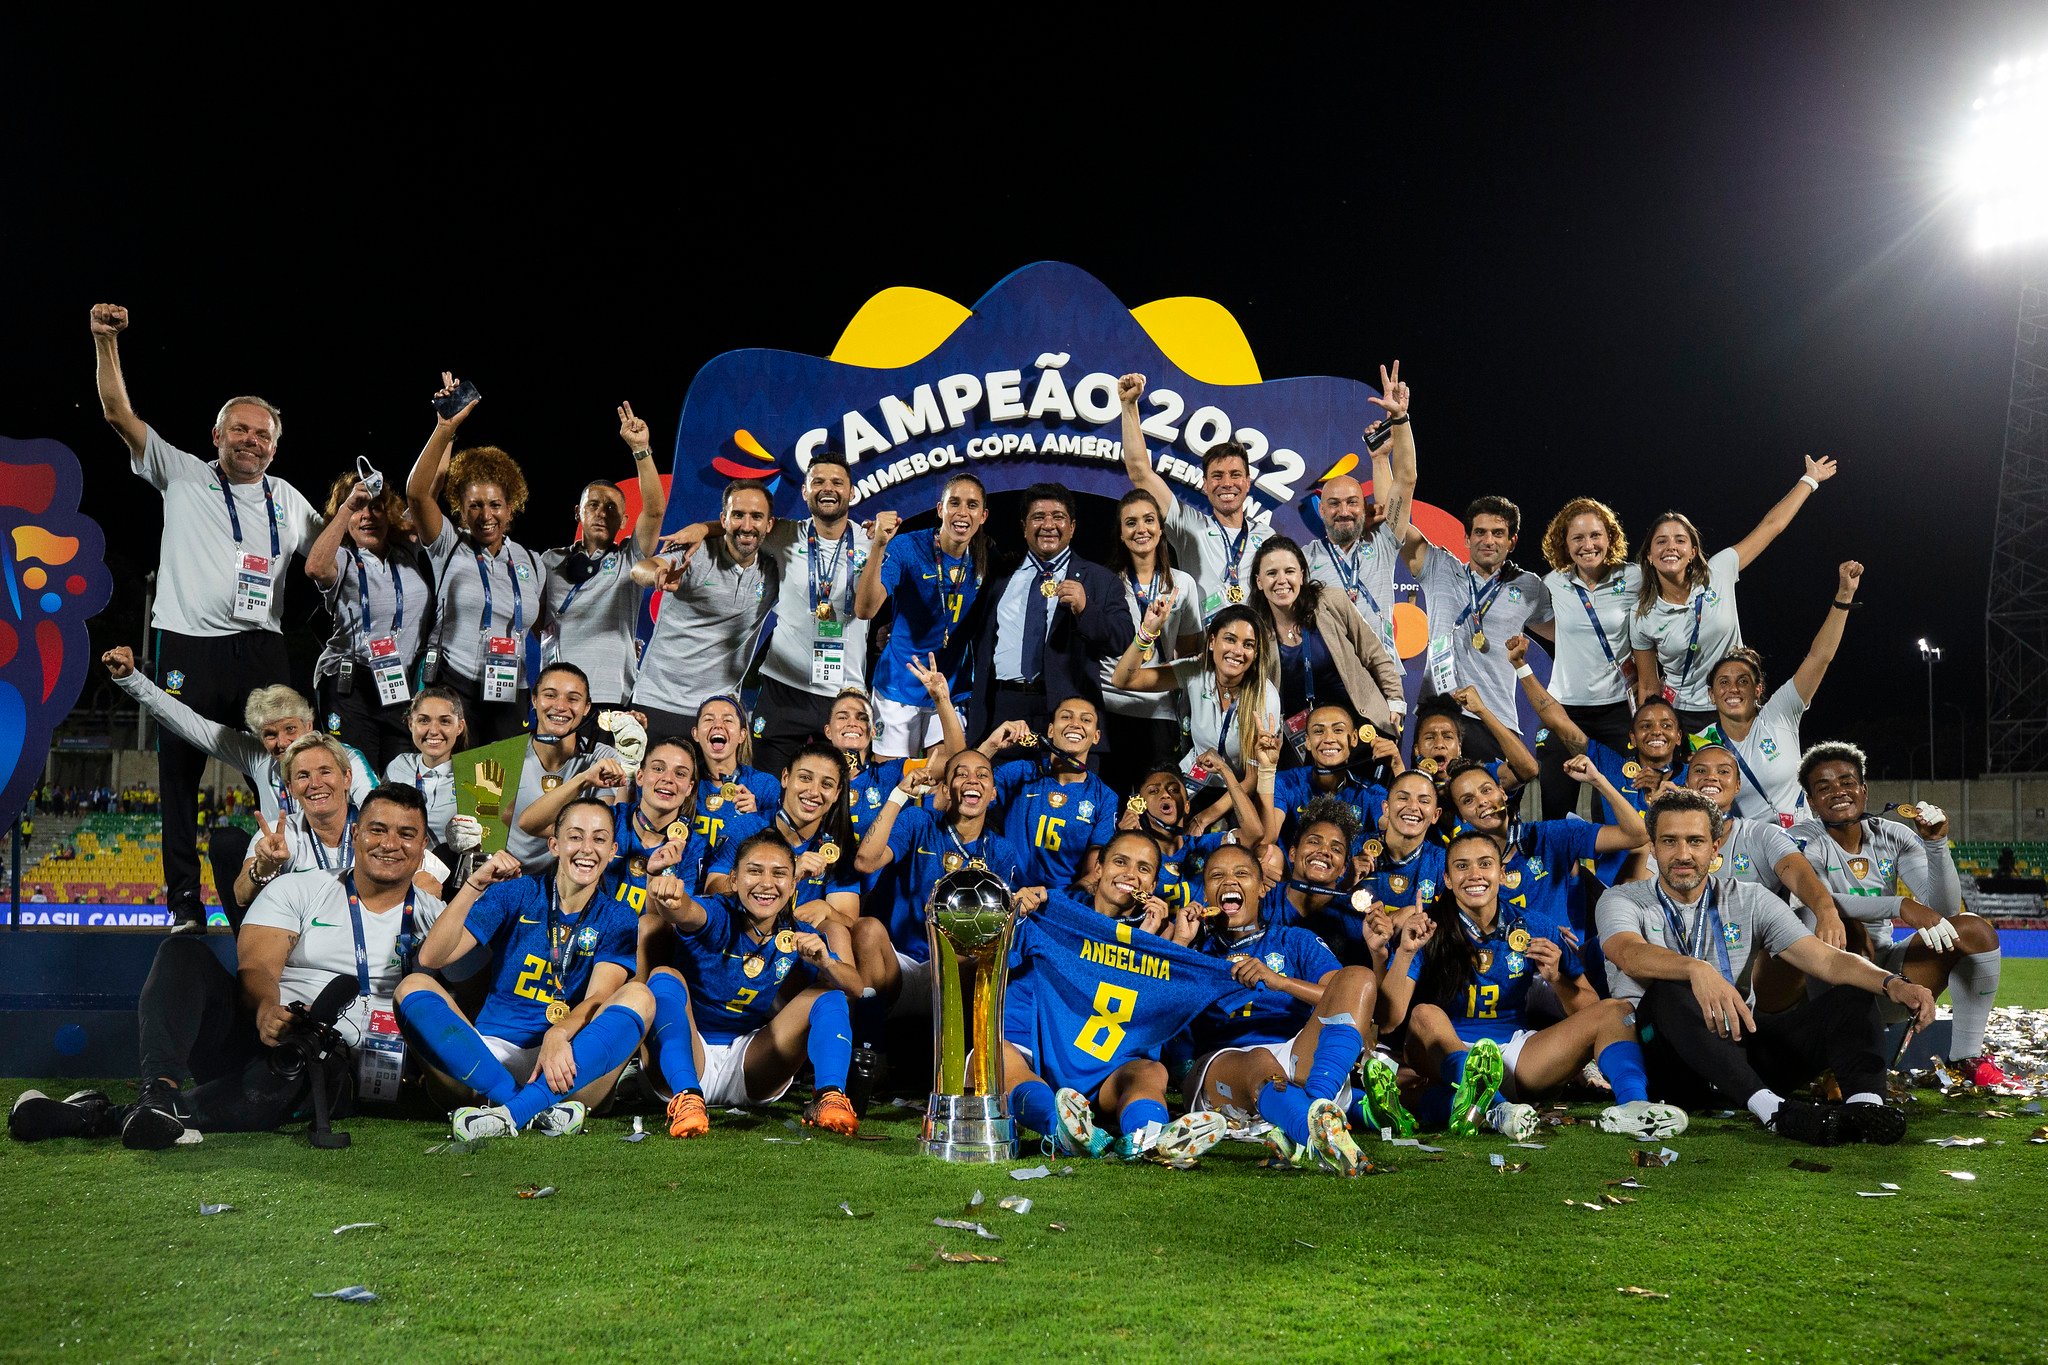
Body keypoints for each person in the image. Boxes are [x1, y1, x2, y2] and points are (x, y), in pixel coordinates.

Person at [11, 787, 442, 1148]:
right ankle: (158, 1089)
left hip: (341, 1068)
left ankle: (100, 1116)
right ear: (355, 832)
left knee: (290, 1073)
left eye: (407, 834)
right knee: (183, 954)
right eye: (378, 829)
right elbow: (256, 966)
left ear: (424, 846)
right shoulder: (301, 887)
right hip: (264, 1031)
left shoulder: (437, 917)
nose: (391, 844)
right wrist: (265, 1009)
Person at [92, 302, 323, 932]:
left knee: (284, 766)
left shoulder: (289, 499)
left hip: (261, 649)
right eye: (241, 430)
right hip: (188, 647)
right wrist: (105, 341)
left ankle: (294, 882)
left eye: (264, 434)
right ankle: (184, 904)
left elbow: (329, 556)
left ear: (276, 445)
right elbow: (117, 414)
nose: (252, 440)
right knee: (178, 774)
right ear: (216, 436)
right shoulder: (184, 474)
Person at [1597, 788, 1936, 1145]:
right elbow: (1627, 953)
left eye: (1695, 841)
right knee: (1667, 993)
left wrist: (1892, 982)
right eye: (1670, 841)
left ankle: (1865, 1108)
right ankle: (1774, 1112)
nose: (1683, 854)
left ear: (1715, 849)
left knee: (1853, 992)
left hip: (1741, 1044)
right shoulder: (1623, 898)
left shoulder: (1749, 897)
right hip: (1670, 1060)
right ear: (1652, 847)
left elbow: (1825, 958)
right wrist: (1697, 969)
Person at [1381, 829, 1688, 1141]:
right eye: (1462, 867)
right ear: (1447, 878)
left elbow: (1591, 1008)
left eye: (1485, 864)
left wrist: (1556, 981)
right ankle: (1497, 1110)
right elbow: (1390, 1021)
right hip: (1447, 1053)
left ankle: (1633, 1107)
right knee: (1425, 1014)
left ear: (1501, 873)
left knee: (1616, 1011)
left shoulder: (1534, 925)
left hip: (1516, 1055)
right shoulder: (1427, 928)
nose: (1474, 875)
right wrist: (1405, 952)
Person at [395, 799, 650, 1139]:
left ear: (613, 849)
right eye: (575, 837)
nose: (587, 849)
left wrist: (558, 1034)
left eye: (599, 839)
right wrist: (474, 886)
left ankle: (508, 1112)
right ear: (554, 845)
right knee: (413, 985)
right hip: (488, 1056)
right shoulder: (517, 892)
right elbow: (433, 957)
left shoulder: (618, 915)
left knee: (640, 995)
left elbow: (599, 998)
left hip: (567, 1060)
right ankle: (529, 1107)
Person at [103, 646, 374, 930]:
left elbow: (378, 809)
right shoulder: (259, 757)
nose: (282, 742)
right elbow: (191, 725)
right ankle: (248, 945)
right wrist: (132, 679)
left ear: (309, 724)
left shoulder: (344, 758)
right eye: (270, 734)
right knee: (226, 843)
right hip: (280, 873)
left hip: (342, 870)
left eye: (290, 729)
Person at [1788, 743, 2007, 1085]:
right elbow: (1817, 900)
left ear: (1864, 789)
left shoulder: (1893, 833)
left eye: (1847, 781)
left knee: (1974, 930)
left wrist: (1936, 844)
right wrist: (1899, 905)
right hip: (1821, 983)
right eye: (1824, 787)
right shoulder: (1799, 840)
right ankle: (1837, 1057)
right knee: (1847, 926)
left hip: (1887, 974)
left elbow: (1944, 911)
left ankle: (1966, 1057)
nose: (1838, 792)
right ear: (1811, 801)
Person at [1180, 840, 1392, 1172]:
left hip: (1297, 1055)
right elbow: (1157, 1015)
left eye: (1242, 874)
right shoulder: (1194, 950)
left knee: (1359, 976)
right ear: (1205, 894)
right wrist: (1180, 943)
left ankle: (1317, 1110)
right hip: (1224, 1066)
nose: (1230, 882)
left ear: (1262, 887)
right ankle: (1313, 1124)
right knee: (1259, 1060)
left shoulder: (1294, 940)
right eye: (1216, 876)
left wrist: (1279, 982)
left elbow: (1342, 995)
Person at [661, 451, 874, 778]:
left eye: (836, 482)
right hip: (782, 690)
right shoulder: (785, 534)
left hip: (842, 695)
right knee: (766, 788)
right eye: (818, 482)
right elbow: (744, 527)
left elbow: (873, 605)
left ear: (851, 492)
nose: (827, 489)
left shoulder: (872, 542)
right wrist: (703, 529)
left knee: (836, 794)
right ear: (805, 491)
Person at [641, 834, 868, 1135]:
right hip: (687, 1057)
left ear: (793, 885)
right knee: (665, 976)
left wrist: (827, 962)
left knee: (828, 993)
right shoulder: (717, 912)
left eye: (779, 874)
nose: (766, 883)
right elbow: (684, 911)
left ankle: (829, 1096)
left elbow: (856, 987)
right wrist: (669, 898)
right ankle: (688, 1099)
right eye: (754, 871)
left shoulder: (799, 934)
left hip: (752, 1065)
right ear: (734, 880)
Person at [1627, 456, 1838, 731]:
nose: (1671, 547)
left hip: (1735, 707)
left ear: (1692, 552)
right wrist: (1649, 734)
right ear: (1649, 555)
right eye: (1661, 541)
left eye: (1680, 540)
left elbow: (1771, 527)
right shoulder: (1642, 614)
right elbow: (1648, 685)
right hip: (1683, 717)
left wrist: (1809, 480)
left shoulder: (1719, 571)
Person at [405, 374, 549, 745]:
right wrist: (445, 428)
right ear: (461, 510)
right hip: (454, 685)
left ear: (511, 507)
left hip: (509, 689)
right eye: (475, 506)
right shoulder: (446, 545)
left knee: (494, 796)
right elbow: (418, 494)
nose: (487, 514)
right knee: (454, 788)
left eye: (495, 504)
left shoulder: (532, 562)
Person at [853, 748, 1032, 1011]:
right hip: (897, 962)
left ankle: (960, 1048)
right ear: (946, 790)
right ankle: (869, 1041)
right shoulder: (919, 821)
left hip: (951, 971)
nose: (973, 780)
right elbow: (865, 862)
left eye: (983, 775)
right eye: (961, 774)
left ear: (993, 794)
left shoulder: (1001, 851)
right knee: (866, 929)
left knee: (990, 959)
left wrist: (1020, 905)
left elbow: (992, 931)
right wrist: (899, 795)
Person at [1695, 562, 1862, 824]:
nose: (1733, 689)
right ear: (1711, 695)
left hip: (1801, 841)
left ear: (1758, 690)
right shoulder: (1700, 743)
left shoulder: (1779, 714)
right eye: (1723, 683)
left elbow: (1819, 658)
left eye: (1743, 681)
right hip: (1748, 853)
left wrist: (1844, 596)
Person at [967, 483, 1134, 742]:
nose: (1048, 525)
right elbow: (969, 628)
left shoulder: (1101, 580)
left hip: (1069, 714)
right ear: (1024, 527)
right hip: (1004, 707)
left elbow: (1122, 640)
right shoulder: (998, 576)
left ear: (1073, 527)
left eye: (1058, 517)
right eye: (1038, 517)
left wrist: (1085, 609)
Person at [538, 402, 667, 718]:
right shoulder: (548, 561)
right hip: (557, 693)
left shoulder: (630, 558)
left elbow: (654, 510)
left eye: (611, 508)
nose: (600, 512)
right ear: (578, 512)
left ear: (624, 520)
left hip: (611, 692)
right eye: (593, 505)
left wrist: (641, 450)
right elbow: (535, 620)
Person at [304, 468, 436, 774]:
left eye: (376, 507)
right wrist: (349, 504)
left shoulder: (407, 552)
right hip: (350, 683)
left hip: (398, 681)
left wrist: (447, 430)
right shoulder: (342, 558)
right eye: (358, 509)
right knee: (359, 778)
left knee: (398, 777)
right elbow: (314, 567)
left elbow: (426, 491)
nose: (367, 516)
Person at [1403, 496, 1553, 763]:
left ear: (1512, 541)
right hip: (1439, 716)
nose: (1488, 540)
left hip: (1495, 720)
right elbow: (1397, 524)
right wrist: (1383, 462)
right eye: (1480, 532)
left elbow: (1563, 633)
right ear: (1467, 539)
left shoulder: (1529, 585)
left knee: (1488, 802)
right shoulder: (1440, 567)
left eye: (1498, 533)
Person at [853, 472, 992, 758]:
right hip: (898, 688)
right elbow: (865, 609)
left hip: (951, 690)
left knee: (941, 783)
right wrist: (878, 545)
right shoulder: (907, 547)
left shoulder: (986, 556)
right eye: (954, 503)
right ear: (940, 510)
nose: (962, 513)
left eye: (972, 505)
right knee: (892, 782)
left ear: (983, 516)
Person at [630, 480, 778, 738]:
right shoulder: (696, 553)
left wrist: (702, 527)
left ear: (769, 524)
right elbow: (639, 568)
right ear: (723, 519)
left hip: (717, 713)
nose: (746, 525)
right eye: (737, 515)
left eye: (756, 516)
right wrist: (657, 574)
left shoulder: (775, 569)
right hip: (657, 700)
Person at [1119, 373, 1272, 621]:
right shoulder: (1188, 525)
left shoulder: (1268, 537)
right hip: (1203, 649)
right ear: (1205, 484)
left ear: (1247, 483)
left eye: (1235, 475)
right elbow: (1140, 472)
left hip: (1254, 648)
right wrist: (1128, 406)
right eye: (1217, 476)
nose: (1226, 484)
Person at [1531, 497, 1640, 820]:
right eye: (1577, 537)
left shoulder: (1634, 577)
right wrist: (1566, 637)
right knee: (1555, 806)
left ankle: (1620, 874)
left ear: (1610, 537)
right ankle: (1564, 871)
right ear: (1564, 543)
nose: (1588, 544)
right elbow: (1536, 620)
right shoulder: (1554, 583)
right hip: (1565, 711)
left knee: (1615, 809)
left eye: (1595, 535)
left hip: (1618, 713)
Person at [1109, 598, 1281, 803]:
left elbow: (1253, 778)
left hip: (1240, 792)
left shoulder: (1266, 695)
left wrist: (1205, 818)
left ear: (1255, 654)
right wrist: (1146, 633)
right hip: (1195, 781)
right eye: (1230, 639)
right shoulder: (1195, 670)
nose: (1237, 651)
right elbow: (1123, 680)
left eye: (1248, 645)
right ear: (1212, 642)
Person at [1301, 361, 1417, 659]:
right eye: (1334, 504)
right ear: (1322, 511)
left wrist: (1398, 426)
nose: (1344, 511)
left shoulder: (1383, 544)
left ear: (1364, 508)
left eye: (1352, 502)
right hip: (1328, 673)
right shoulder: (1303, 559)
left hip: (1380, 674)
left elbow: (1405, 480)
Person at [1249, 537, 1407, 745]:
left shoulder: (1332, 602)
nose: (1282, 580)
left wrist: (1395, 701)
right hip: (1302, 740)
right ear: (1259, 581)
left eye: (1289, 571)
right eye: (1271, 573)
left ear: (1302, 575)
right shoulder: (1254, 628)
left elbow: (1375, 654)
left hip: (1360, 725)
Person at [1098, 489, 1205, 797]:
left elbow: (1187, 657)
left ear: (1161, 528)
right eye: (1130, 523)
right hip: (1110, 708)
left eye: (1148, 520)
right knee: (1112, 804)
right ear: (1120, 532)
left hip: (1159, 712)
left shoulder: (1182, 585)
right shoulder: (1105, 582)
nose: (1140, 529)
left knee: (1158, 808)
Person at [234, 735, 411, 913]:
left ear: (347, 778)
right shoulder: (279, 834)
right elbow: (241, 895)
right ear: (291, 788)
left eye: (325, 772)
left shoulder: (381, 830)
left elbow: (427, 882)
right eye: (303, 776)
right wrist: (264, 868)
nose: (315, 784)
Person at [982, 705, 1120, 893]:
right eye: (1066, 717)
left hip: (1061, 902)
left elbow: (1093, 874)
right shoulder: (1020, 772)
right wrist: (991, 745)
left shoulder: (1105, 797)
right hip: (1007, 894)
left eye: (1086, 720)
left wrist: (1060, 904)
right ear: (1050, 730)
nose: (1075, 724)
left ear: (1096, 737)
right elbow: (963, 789)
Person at [498, 664, 624, 870]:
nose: (560, 706)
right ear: (534, 700)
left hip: (567, 878)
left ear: (586, 708)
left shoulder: (603, 757)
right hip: (507, 874)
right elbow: (491, 828)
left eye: (573, 699)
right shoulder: (503, 755)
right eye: (550, 695)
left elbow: (598, 832)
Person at [688, 695, 782, 854]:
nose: (718, 725)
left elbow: (781, 845)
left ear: (742, 735)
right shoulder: (683, 781)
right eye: (709, 719)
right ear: (696, 734)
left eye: (728, 720)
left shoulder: (765, 785)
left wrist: (755, 819)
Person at [1408, 689, 1539, 794]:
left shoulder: (1481, 776)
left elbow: (1528, 769)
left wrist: (1482, 711)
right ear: (1416, 749)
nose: (1439, 745)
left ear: (1459, 747)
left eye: (1447, 737)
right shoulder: (1404, 785)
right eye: (1430, 738)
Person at [383, 687, 468, 846]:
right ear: (410, 724)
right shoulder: (397, 767)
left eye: (445, 721)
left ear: (459, 727)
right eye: (424, 720)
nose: (434, 731)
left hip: (451, 868)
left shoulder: (474, 775)